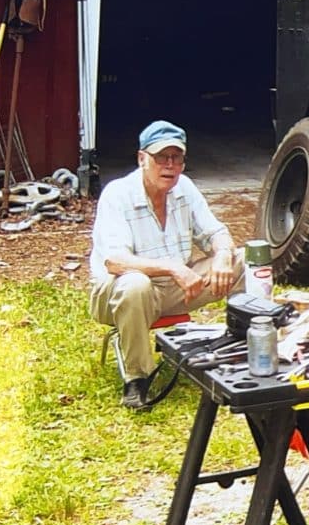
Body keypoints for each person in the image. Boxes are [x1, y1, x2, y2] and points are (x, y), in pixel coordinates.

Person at [89, 120, 243, 409]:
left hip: (176, 290)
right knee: (136, 283)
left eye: (177, 158)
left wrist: (222, 256)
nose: (169, 165)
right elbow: (115, 261)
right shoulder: (117, 194)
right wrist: (174, 268)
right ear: (142, 158)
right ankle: (137, 378)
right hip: (117, 294)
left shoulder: (184, 187)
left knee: (244, 260)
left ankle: (244, 349)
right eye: (161, 157)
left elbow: (216, 233)